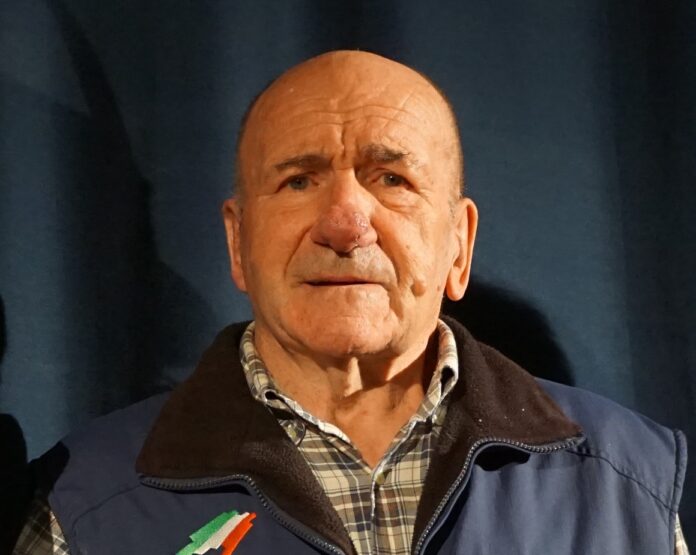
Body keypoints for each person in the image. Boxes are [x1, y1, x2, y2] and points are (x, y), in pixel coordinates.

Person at [14, 51, 688, 554]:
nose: (343, 223)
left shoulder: (627, 483)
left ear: (458, 245)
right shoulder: (85, 502)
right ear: (238, 241)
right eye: (298, 180)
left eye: (391, 178)